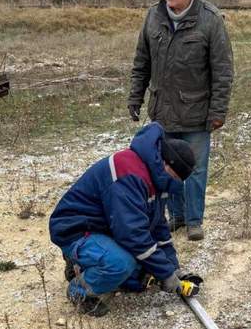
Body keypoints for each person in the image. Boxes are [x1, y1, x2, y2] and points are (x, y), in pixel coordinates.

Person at [127, 0, 234, 241]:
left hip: (198, 113)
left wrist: (218, 111)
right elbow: (142, 62)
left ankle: (194, 220)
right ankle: (175, 217)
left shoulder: (210, 21)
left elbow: (222, 71)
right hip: (162, 112)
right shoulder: (153, 17)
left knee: (196, 170)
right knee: (166, 168)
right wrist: (135, 97)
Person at [49, 122, 197, 317]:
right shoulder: (129, 173)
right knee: (121, 264)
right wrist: (166, 274)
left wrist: (173, 268)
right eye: (174, 178)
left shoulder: (157, 178)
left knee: (139, 276)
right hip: (75, 229)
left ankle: (81, 266)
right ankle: (79, 290)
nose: (173, 184)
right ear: (166, 163)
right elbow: (132, 234)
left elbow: (157, 225)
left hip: (104, 227)